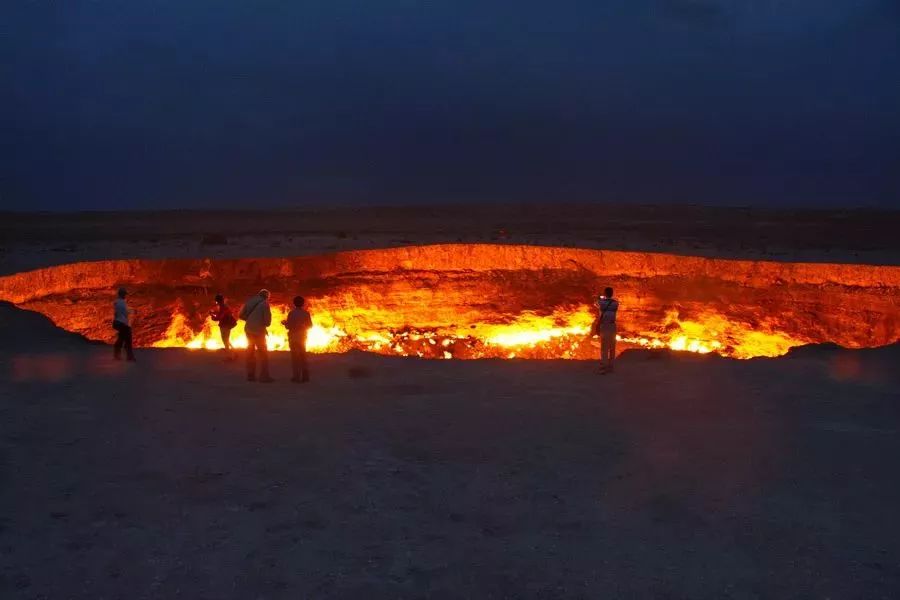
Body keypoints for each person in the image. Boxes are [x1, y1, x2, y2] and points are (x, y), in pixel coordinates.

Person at [239, 289, 273, 382]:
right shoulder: (265, 304)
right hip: (259, 331)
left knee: (250, 352)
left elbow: (241, 315)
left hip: (248, 329)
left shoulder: (250, 301)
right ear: (267, 296)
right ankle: (264, 376)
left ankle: (250, 375)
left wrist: (251, 320)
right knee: (263, 354)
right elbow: (267, 322)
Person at [283, 295, 313, 383]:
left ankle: (296, 377)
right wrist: (302, 327)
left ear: (294, 303)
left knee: (295, 358)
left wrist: (285, 323)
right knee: (303, 356)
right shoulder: (306, 313)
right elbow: (310, 326)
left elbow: (289, 326)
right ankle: (305, 376)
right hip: (302, 337)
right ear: (303, 304)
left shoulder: (291, 313)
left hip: (293, 338)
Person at [595, 287, 619, 373]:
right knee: (612, 346)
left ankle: (604, 366)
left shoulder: (601, 302)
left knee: (604, 347)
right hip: (612, 326)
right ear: (612, 294)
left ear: (605, 294)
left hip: (604, 326)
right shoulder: (616, 303)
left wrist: (600, 297)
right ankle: (611, 366)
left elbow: (596, 303)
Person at [210, 293, 237, 360]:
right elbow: (223, 314)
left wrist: (212, 316)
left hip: (225, 325)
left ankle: (230, 356)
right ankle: (234, 352)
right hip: (227, 325)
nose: (216, 303)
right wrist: (214, 313)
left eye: (216, 301)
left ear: (218, 301)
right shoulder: (225, 306)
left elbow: (219, 317)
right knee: (226, 339)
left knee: (225, 340)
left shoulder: (223, 307)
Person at [112, 287, 136, 362]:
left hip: (119, 323)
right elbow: (124, 310)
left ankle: (118, 355)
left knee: (121, 338)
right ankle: (129, 357)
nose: (125, 295)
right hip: (121, 323)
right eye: (124, 294)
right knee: (127, 339)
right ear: (122, 294)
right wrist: (132, 311)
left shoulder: (119, 302)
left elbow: (122, 310)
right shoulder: (120, 302)